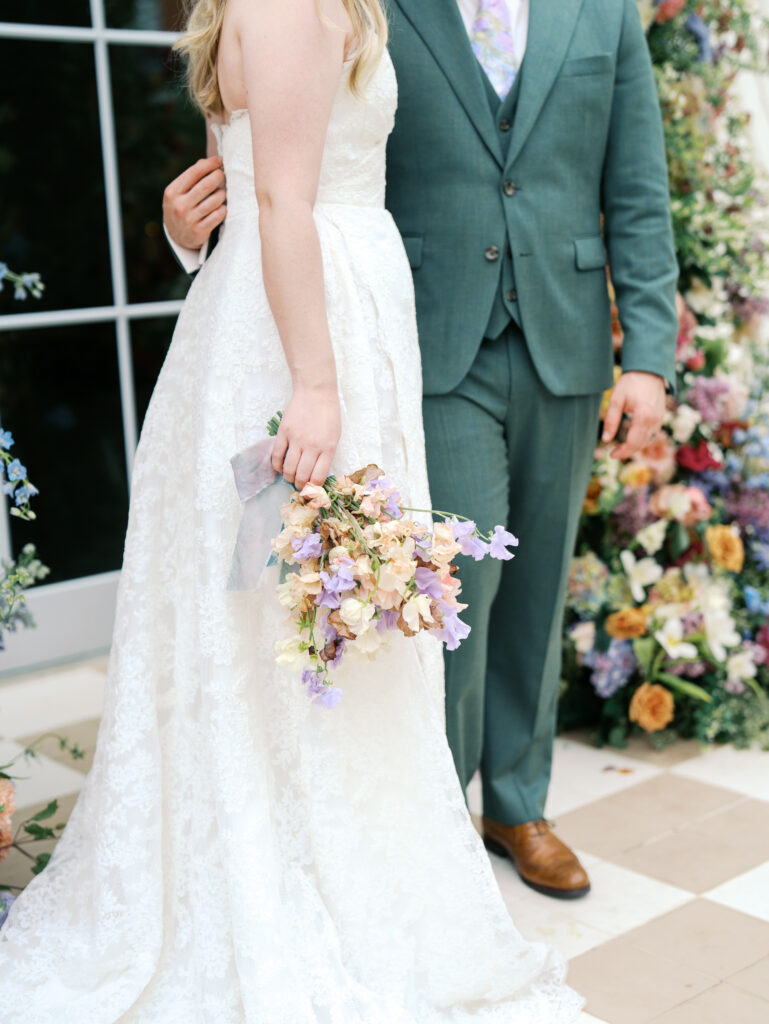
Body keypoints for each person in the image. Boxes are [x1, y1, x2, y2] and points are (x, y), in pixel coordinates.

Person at [0, 1, 584, 1019]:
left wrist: (197, 239)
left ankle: (322, 852)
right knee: (285, 609)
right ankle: (280, 872)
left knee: (300, 609)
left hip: (314, 309)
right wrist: (315, 383)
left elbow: (256, 174)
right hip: (301, 335)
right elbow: (276, 200)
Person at [165, 0, 679, 900]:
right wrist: (191, 233)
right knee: (445, 586)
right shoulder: (372, 6)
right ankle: (431, 810)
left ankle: (518, 805)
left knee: (535, 583)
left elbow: (637, 189)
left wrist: (648, 358)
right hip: (428, 340)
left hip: (562, 340)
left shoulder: (605, 13)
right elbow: (284, 165)